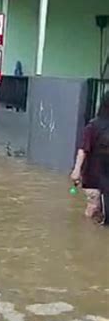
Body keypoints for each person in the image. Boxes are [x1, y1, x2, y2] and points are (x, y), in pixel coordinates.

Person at [71, 92, 109, 223]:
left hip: (105, 176)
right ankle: (87, 236)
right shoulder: (93, 126)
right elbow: (83, 150)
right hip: (93, 176)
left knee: (100, 211)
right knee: (94, 207)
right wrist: (76, 171)